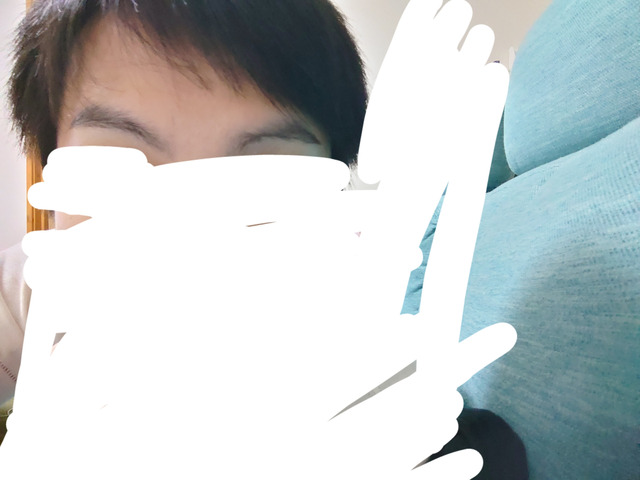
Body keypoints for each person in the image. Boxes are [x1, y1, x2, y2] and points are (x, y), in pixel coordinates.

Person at [0, 1, 528, 477]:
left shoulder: (408, 421)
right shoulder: (36, 292)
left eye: (264, 173)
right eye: (117, 165)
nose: (194, 235)